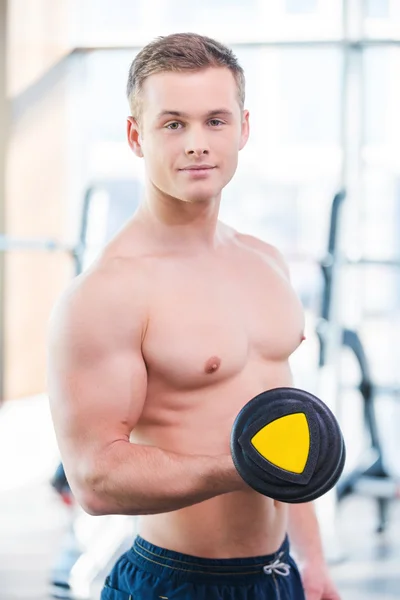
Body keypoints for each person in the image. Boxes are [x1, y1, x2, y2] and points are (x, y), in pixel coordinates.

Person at [47, 32, 341, 600]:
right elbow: (96, 479)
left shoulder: (266, 262)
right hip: (174, 581)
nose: (198, 143)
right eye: (173, 123)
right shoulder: (109, 291)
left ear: (243, 128)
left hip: (279, 575)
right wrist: (244, 467)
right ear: (137, 136)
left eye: (215, 120)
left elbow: (284, 428)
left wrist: (313, 562)